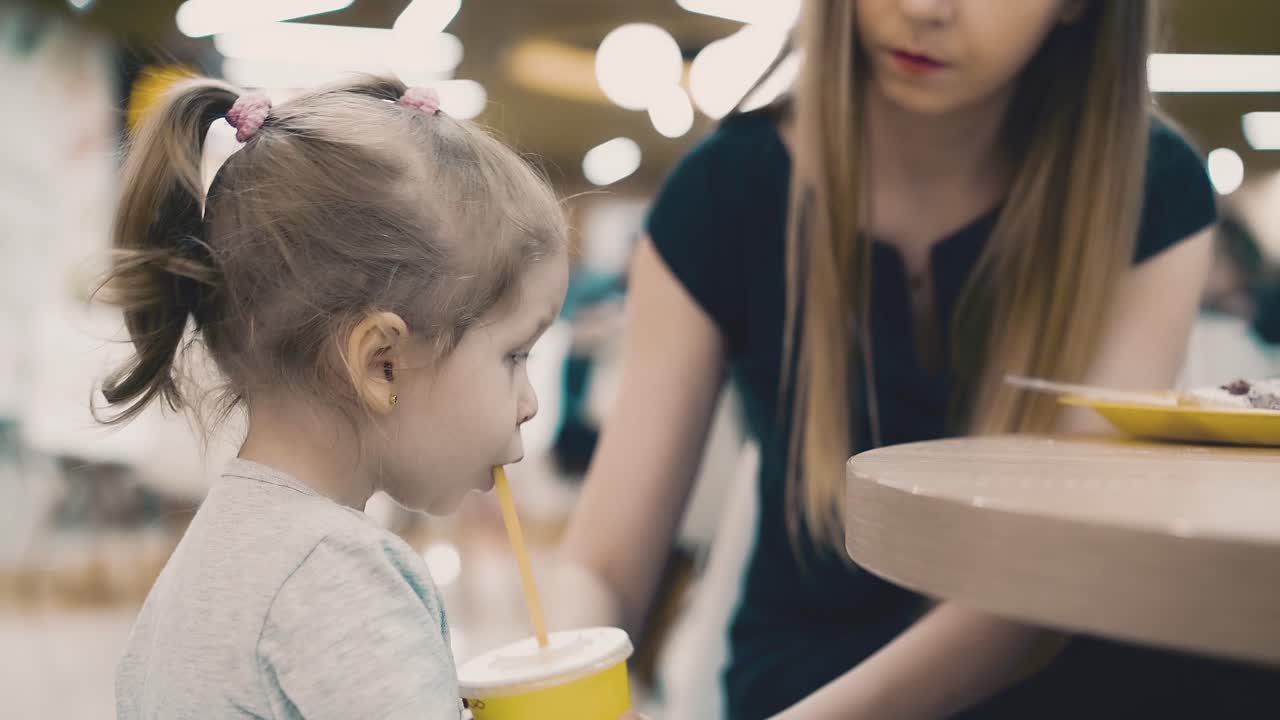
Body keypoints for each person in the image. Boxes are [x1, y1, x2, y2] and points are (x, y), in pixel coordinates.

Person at [556, 1, 1279, 718]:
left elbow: (1045, 588)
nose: (924, 8)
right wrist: (559, 691)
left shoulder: (1148, 188)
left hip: (1058, 675)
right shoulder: (720, 192)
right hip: (803, 674)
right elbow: (605, 566)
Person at [99, 77, 569, 719]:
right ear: (382, 364)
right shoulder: (337, 577)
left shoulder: (202, 572)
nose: (530, 402)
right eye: (515, 355)